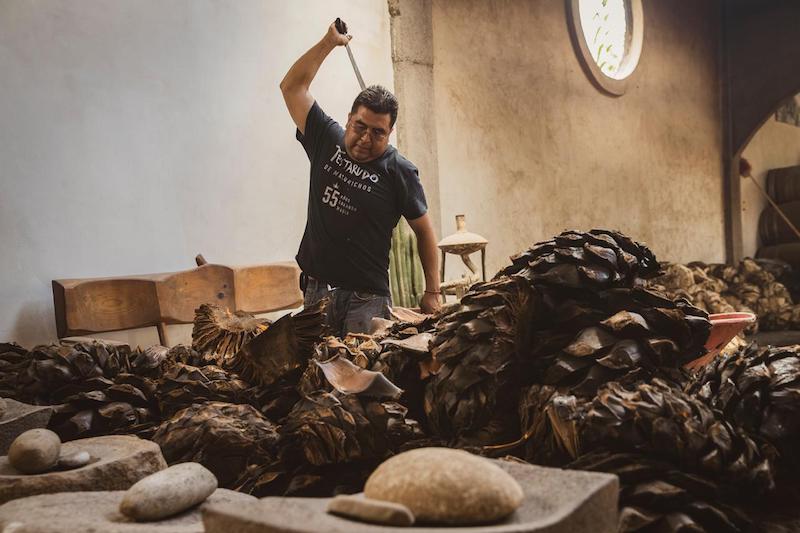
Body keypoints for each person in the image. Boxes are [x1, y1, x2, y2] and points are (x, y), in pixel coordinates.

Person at [280, 21, 441, 337]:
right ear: (348, 119)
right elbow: (292, 87)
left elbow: (424, 231)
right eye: (360, 126)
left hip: (366, 300)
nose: (366, 138)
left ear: (390, 132)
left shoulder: (399, 170)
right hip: (316, 293)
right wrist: (329, 42)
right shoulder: (325, 139)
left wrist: (432, 291)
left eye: (378, 132)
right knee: (315, 378)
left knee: (365, 379)